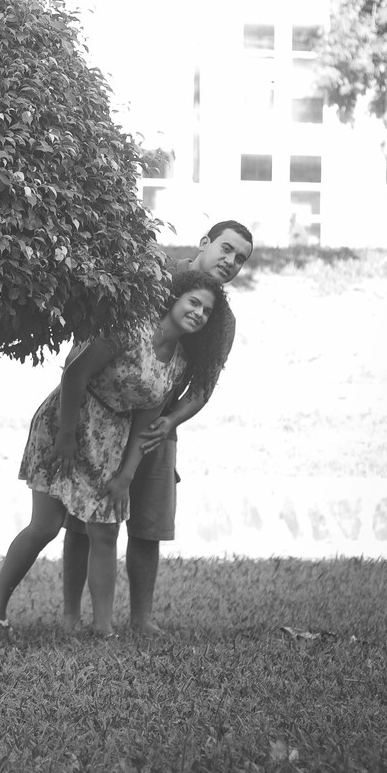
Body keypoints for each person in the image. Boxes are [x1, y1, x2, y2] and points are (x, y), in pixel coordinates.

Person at [0, 270, 231, 638]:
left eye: (206, 311)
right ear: (175, 298)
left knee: (105, 530)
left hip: (110, 437)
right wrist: (65, 437)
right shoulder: (132, 329)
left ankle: (103, 629)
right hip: (67, 421)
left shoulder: (178, 363)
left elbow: (146, 420)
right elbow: (74, 374)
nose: (198, 312)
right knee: (46, 526)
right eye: (193, 302)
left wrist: (125, 477)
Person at [61, 220, 253, 635]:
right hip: (104, 411)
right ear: (205, 242)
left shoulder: (223, 320)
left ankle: (141, 621)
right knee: (84, 517)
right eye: (226, 248)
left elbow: (203, 387)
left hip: (158, 423)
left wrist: (170, 421)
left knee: (148, 522)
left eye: (240, 258)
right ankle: (71, 616)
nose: (231, 261)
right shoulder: (156, 273)